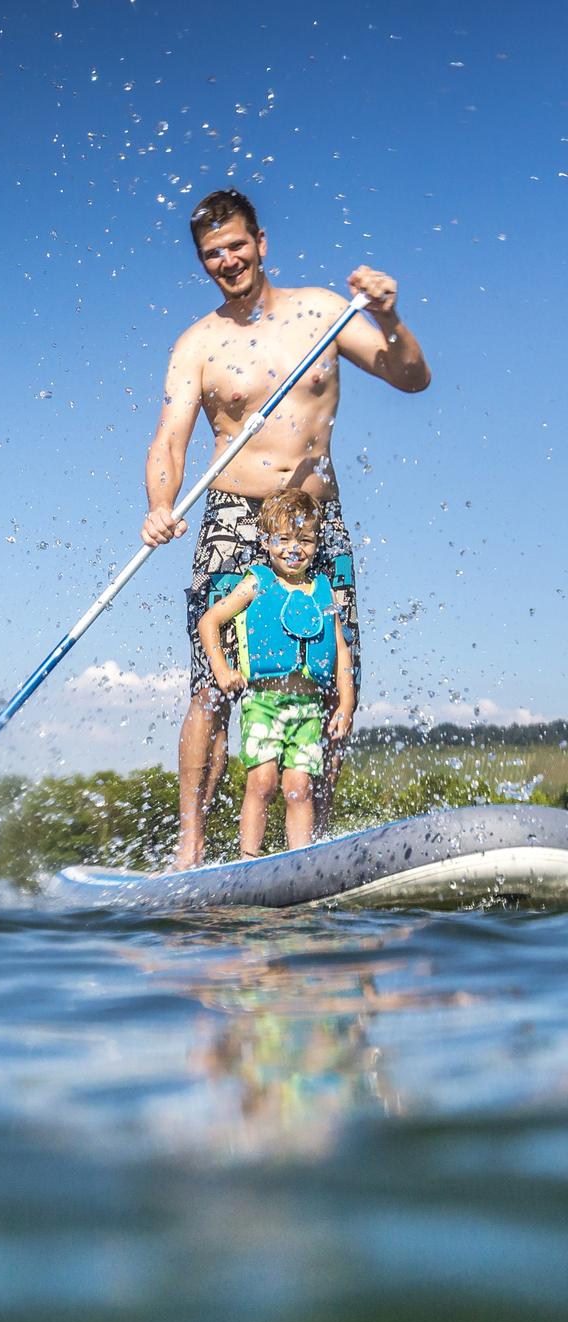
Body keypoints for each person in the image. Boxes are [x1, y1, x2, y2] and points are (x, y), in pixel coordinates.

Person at [142, 188, 430, 868]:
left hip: (314, 518)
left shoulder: (323, 312)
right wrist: (160, 503)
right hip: (234, 518)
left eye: (237, 245)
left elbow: (410, 377)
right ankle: (191, 849)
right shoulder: (199, 343)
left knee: (324, 682)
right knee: (215, 686)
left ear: (262, 242)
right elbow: (169, 441)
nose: (227, 260)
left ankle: (312, 848)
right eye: (213, 254)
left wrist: (389, 319)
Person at [197, 491, 355, 858]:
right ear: (267, 539)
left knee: (299, 788)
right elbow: (210, 621)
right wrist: (221, 669)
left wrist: (345, 705)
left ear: (316, 543)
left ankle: (299, 862)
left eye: (304, 540)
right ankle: (248, 860)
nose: (293, 548)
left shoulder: (323, 590)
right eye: (283, 539)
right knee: (263, 783)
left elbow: (342, 651)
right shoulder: (257, 581)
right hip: (263, 702)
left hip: (308, 707)